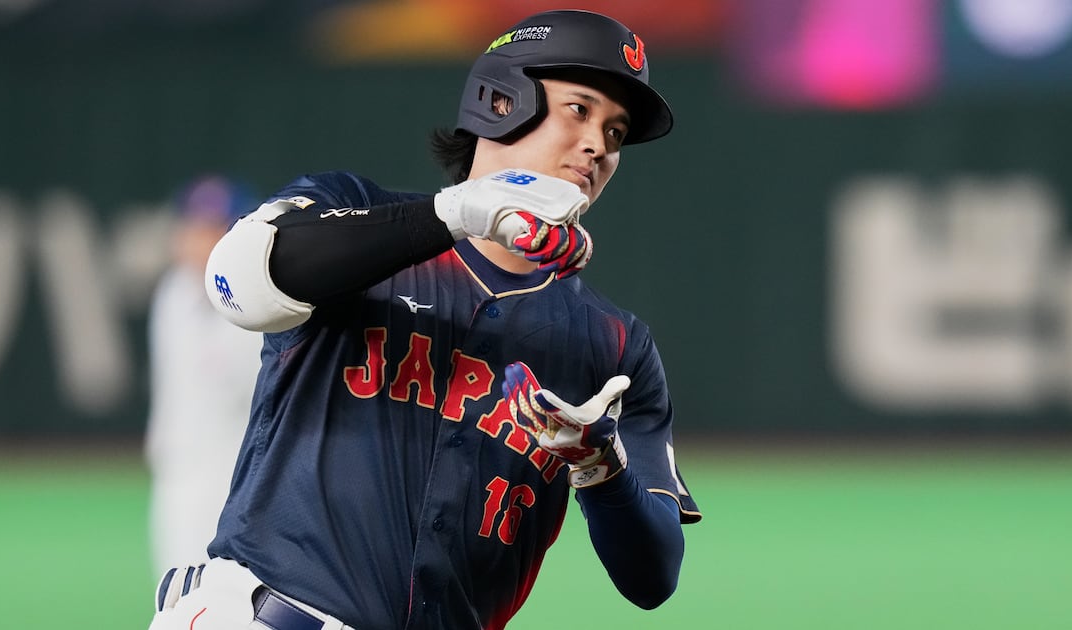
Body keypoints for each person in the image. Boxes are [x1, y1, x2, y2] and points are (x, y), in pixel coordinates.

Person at [148, 10, 701, 630]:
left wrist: (600, 464)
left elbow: (654, 579)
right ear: (501, 100)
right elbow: (236, 284)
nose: (599, 144)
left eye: (616, 131)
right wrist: (458, 212)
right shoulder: (352, 212)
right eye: (579, 110)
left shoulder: (614, 345)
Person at [144, 175, 263, 578]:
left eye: (213, 228)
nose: (198, 239)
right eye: (192, 227)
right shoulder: (173, 293)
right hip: (177, 475)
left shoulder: (260, 308)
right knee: (173, 602)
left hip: (238, 483)